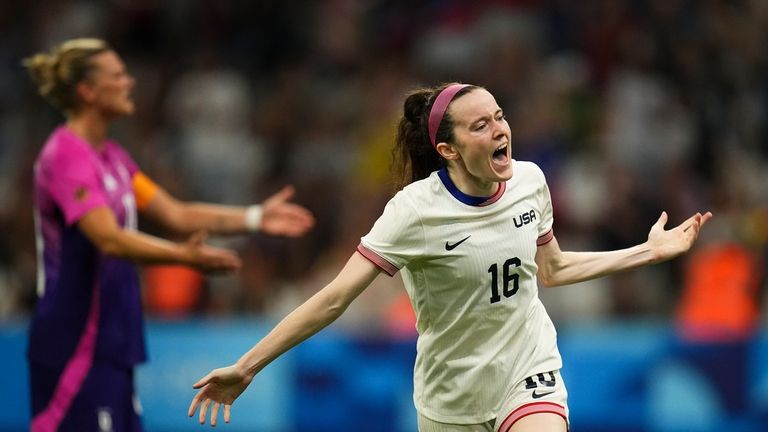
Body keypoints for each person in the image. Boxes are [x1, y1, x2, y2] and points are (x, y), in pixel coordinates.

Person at [188, 83, 711, 432]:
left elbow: (551, 269)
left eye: (500, 117)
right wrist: (246, 366)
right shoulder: (414, 212)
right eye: (480, 125)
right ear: (449, 150)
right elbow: (333, 300)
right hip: (449, 398)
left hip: (526, 371)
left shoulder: (530, 182)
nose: (500, 129)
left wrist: (647, 251)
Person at [24, 38, 315, 432]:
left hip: (113, 339)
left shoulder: (112, 158)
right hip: (73, 344)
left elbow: (175, 212)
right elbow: (108, 238)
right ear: (87, 91)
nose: (129, 82)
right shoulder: (66, 156)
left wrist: (253, 217)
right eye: (117, 75)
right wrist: (183, 257)